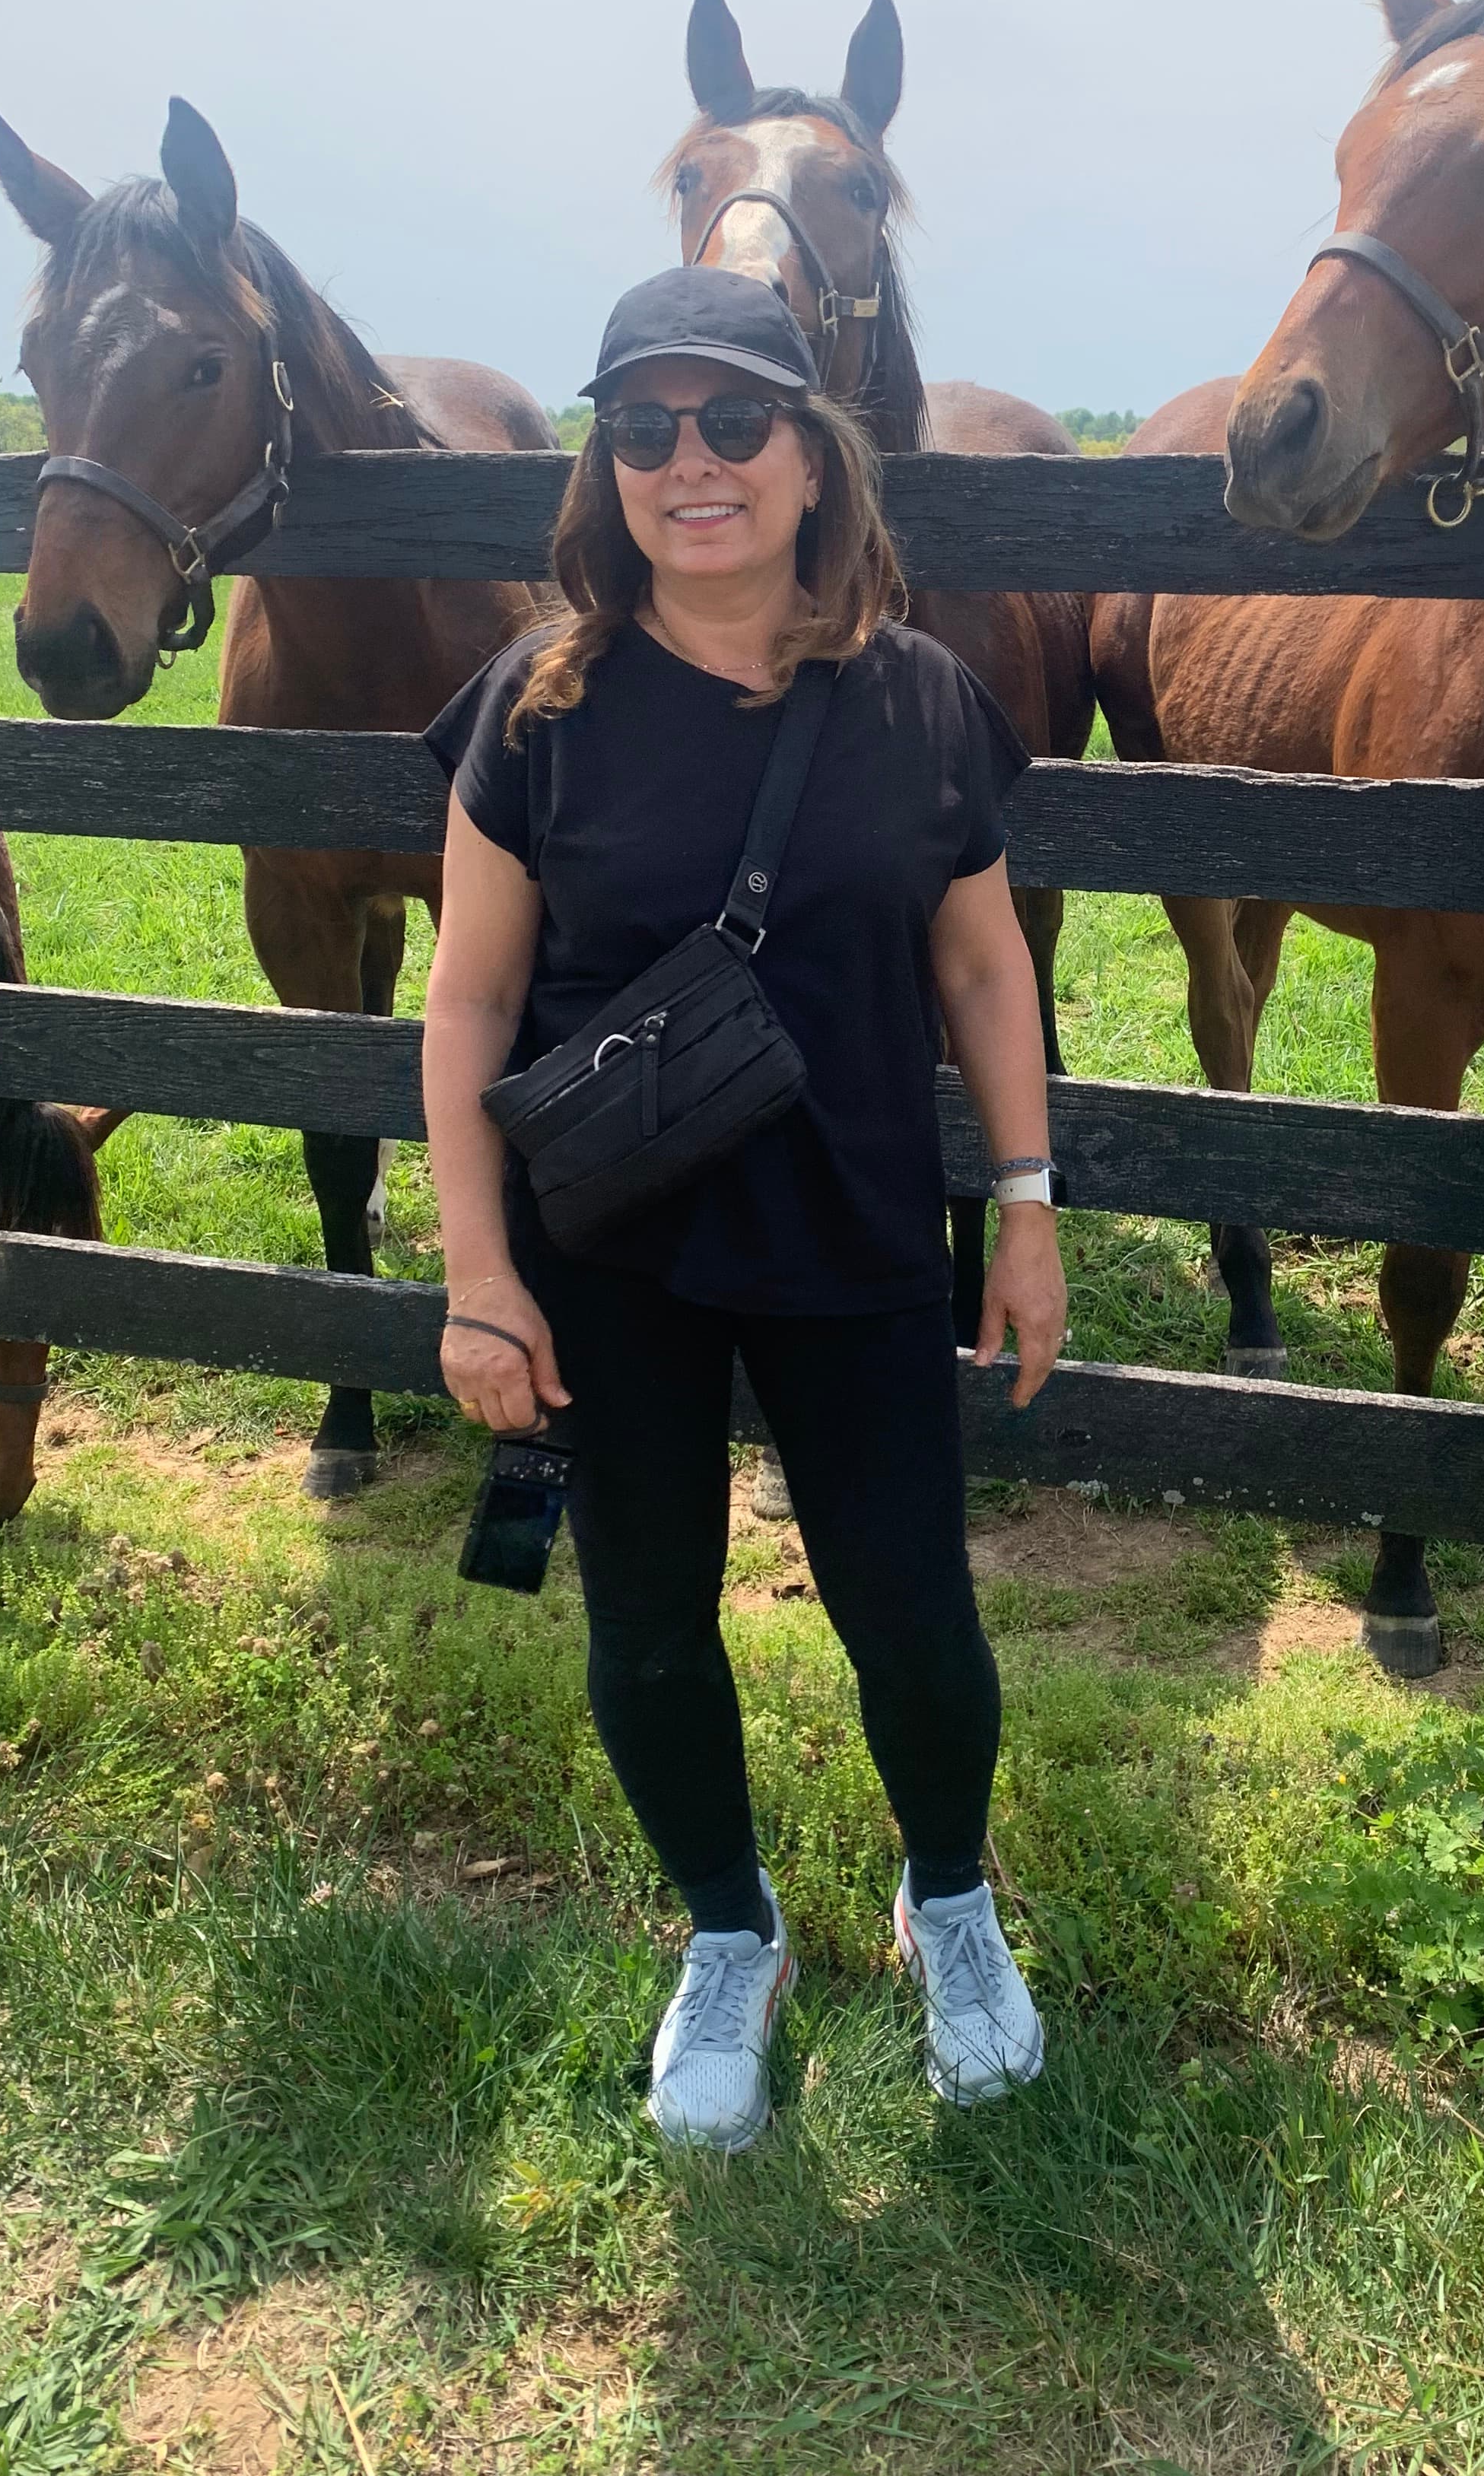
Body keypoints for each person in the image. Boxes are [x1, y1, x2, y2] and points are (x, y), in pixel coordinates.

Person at [419, 267, 1067, 2152]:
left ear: (813, 457)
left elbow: (984, 968)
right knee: (644, 1623)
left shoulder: (920, 699)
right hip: (611, 1253)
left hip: (855, 1235)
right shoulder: (536, 706)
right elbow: (467, 1000)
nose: (689, 462)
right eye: (645, 426)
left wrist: (1027, 1205)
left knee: (914, 1614)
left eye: (732, 422)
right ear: (606, 464)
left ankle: (951, 1901)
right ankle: (729, 1932)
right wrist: (477, 1273)